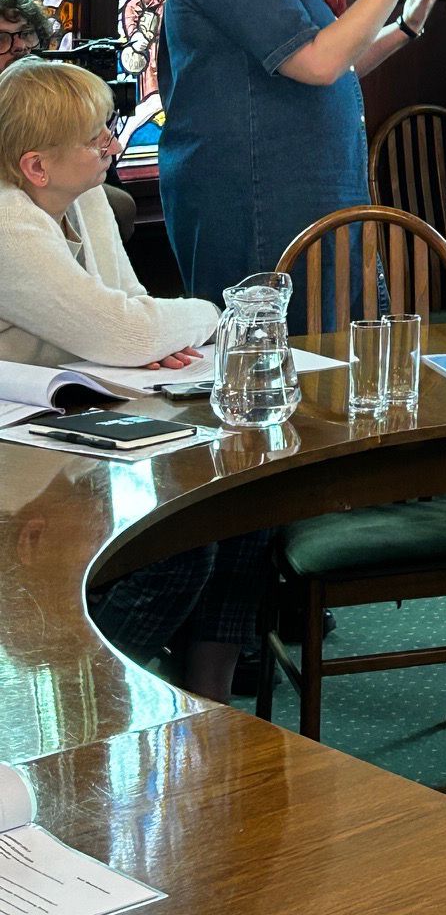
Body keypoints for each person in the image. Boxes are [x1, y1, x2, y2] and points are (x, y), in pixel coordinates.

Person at [0, 57, 262, 700]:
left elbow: (132, 307)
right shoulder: (7, 223)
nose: (112, 145)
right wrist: (212, 313)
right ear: (36, 166)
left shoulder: (83, 194)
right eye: (95, 138)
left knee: (245, 500)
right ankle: (99, 687)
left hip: (74, 423)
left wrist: (147, 334)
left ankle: (208, 696)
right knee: (179, 547)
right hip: (17, 457)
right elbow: (126, 333)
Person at [158, 0, 444, 303]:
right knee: (283, 344)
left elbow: (336, 63)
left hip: (294, 191)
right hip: (259, 197)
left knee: (325, 341)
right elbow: (319, 62)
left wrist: (406, 27)